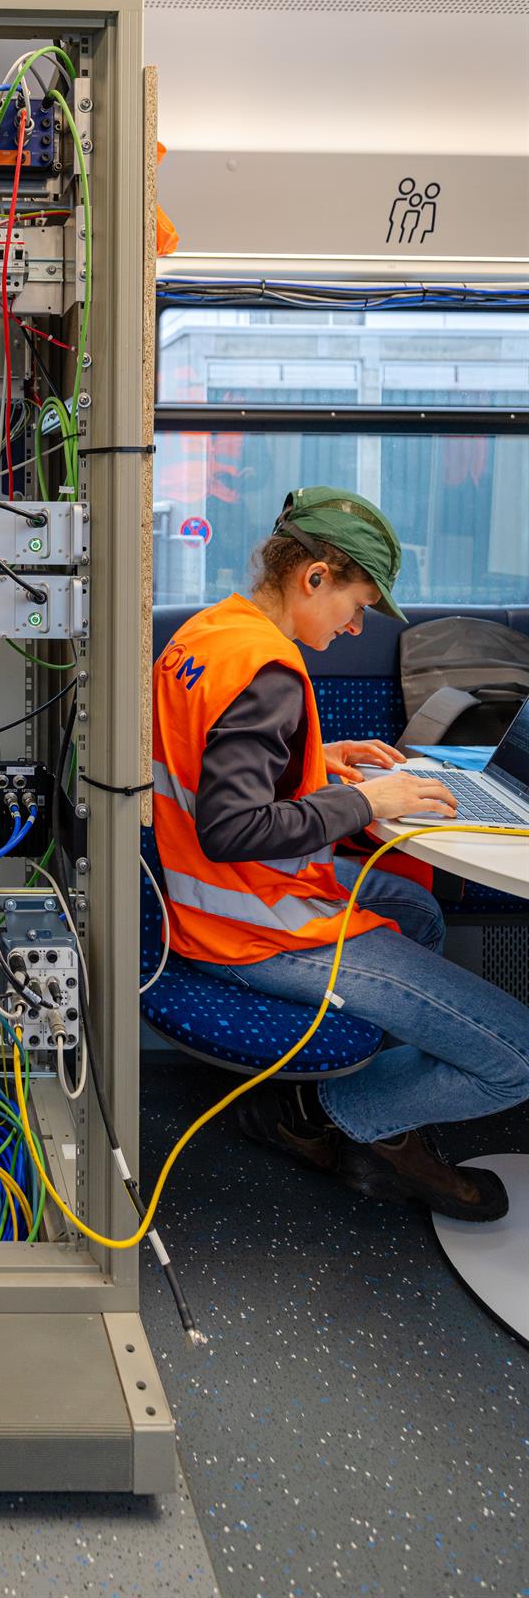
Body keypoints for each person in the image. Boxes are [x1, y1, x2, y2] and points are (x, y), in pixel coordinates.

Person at [151, 486, 529, 1222]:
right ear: (313, 576)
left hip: (206, 896)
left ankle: (383, 1106)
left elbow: (215, 767)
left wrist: (316, 759)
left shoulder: (210, 633)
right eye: (355, 604)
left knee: (414, 909)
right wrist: (367, 802)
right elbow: (231, 826)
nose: (357, 627)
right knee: (516, 1058)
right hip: (255, 924)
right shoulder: (267, 672)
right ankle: (327, 1115)